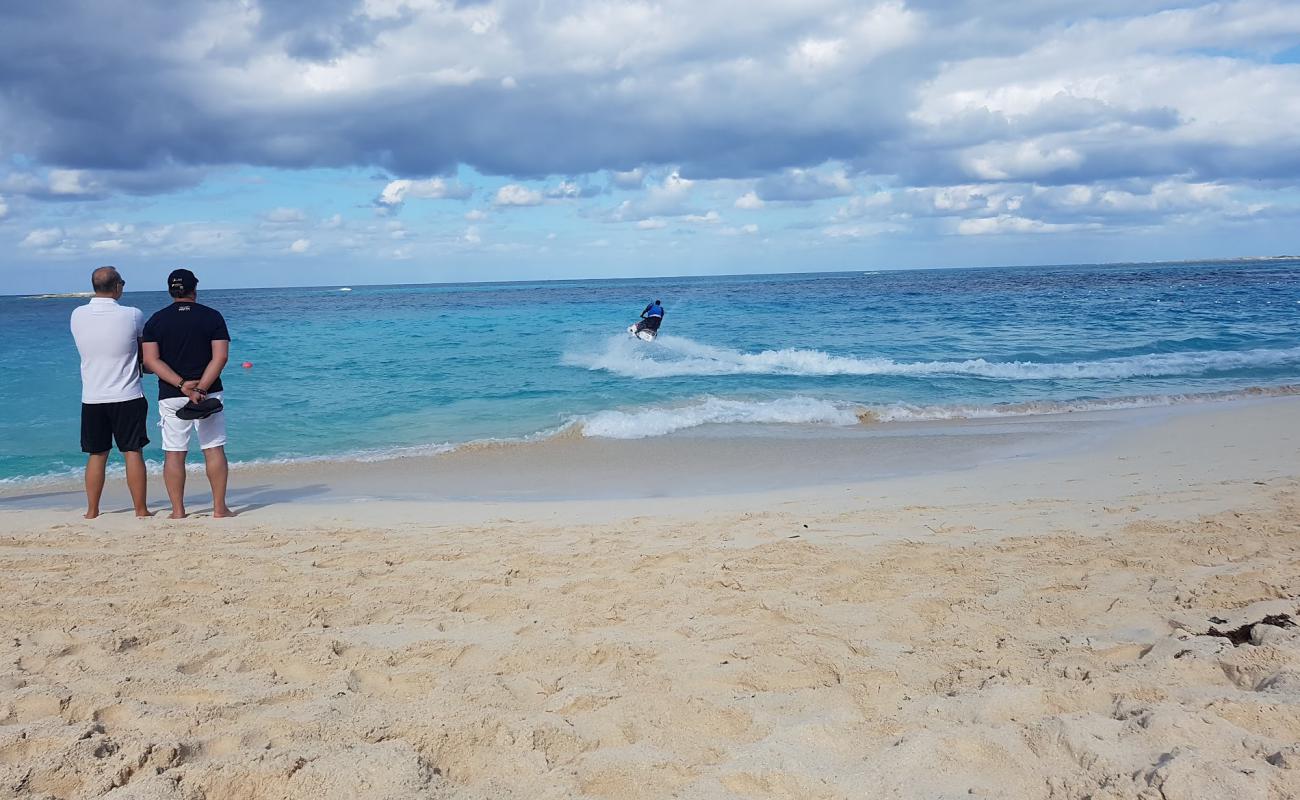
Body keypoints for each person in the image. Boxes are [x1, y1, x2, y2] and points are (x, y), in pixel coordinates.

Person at [141, 268, 233, 519]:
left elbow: (150, 361)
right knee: (213, 448)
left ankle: (178, 511)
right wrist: (201, 387)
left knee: (174, 452)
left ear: (171, 291)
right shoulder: (212, 316)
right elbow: (221, 357)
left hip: (171, 393)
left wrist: (181, 384)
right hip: (208, 393)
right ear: (194, 289)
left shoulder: (157, 320)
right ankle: (219, 509)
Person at [69, 266, 151, 519]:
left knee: (97, 453)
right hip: (127, 394)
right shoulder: (133, 315)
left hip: (92, 396)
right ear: (117, 286)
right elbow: (143, 350)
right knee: (132, 451)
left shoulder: (77, 314)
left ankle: (92, 510)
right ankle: (140, 509)